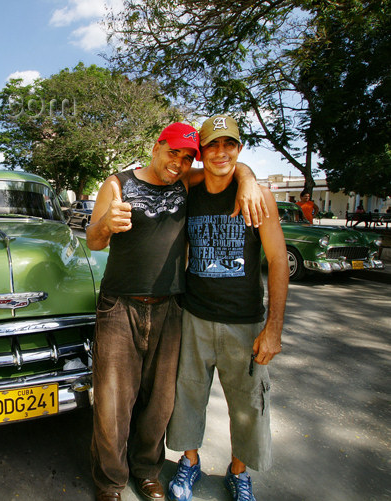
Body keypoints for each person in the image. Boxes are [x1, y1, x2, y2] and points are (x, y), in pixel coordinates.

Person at [86, 122, 267, 501]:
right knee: (112, 401)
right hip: (120, 306)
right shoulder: (117, 184)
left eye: (188, 158)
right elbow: (94, 239)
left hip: (171, 307)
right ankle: (110, 481)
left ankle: (147, 470)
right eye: (174, 153)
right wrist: (107, 223)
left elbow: (229, 167)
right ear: (157, 146)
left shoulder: (185, 183)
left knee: (160, 402)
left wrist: (249, 178)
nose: (180, 163)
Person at [165, 115, 288, 501]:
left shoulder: (258, 196)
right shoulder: (189, 187)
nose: (221, 152)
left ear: (239, 148)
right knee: (187, 396)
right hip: (195, 315)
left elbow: (279, 261)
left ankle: (239, 472)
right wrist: (247, 175)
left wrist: (274, 329)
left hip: (244, 322)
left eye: (229, 145)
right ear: (201, 152)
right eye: (212, 145)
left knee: (247, 404)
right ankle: (189, 461)